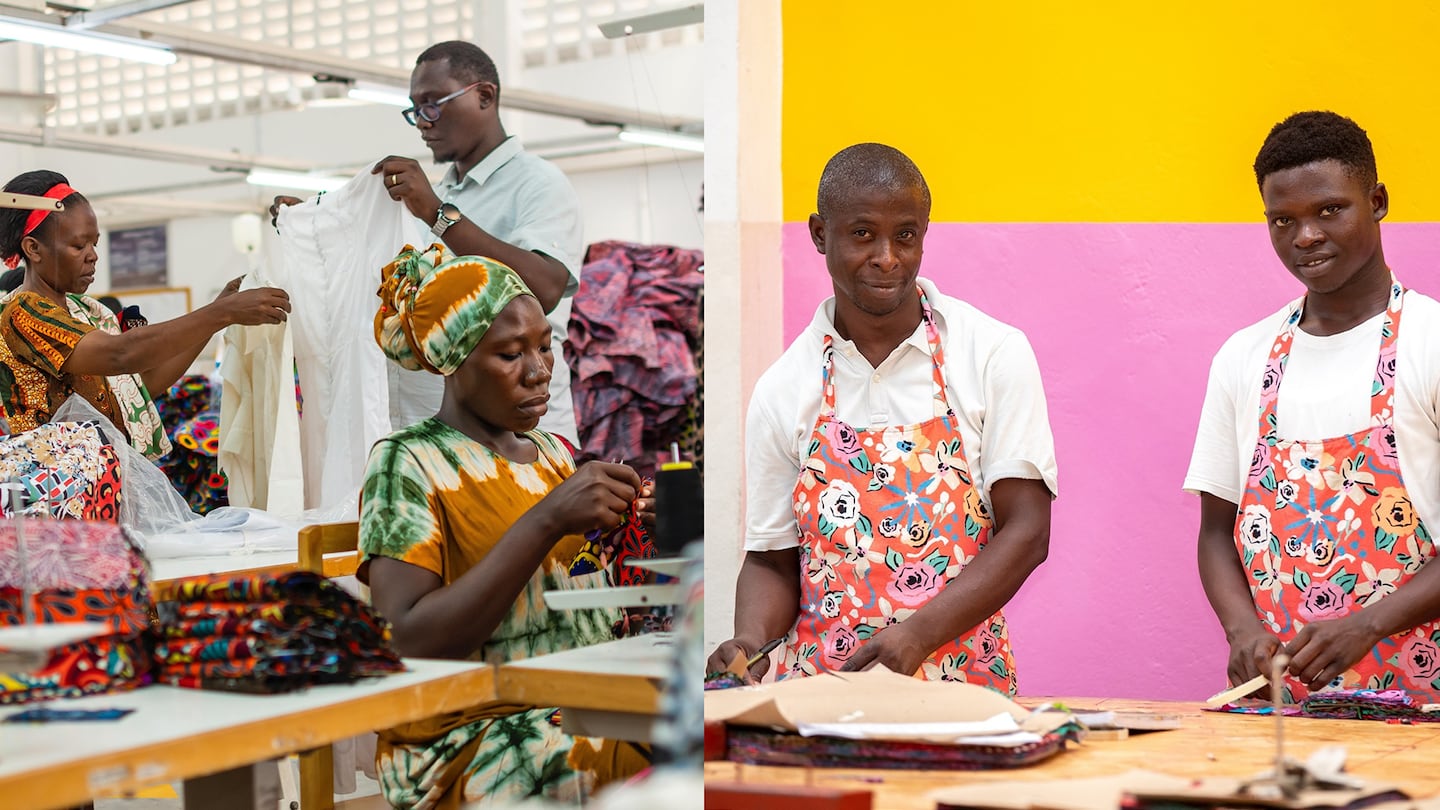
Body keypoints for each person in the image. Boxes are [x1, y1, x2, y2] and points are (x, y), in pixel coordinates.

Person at [708, 144, 1057, 692]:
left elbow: (1029, 532)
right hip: (823, 698)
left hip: (961, 695)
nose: (888, 257)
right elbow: (772, 560)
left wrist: (918, 635)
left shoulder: (990, 354)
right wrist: (750, 643)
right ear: (821, 234)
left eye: (906, 235)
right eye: (863, 234)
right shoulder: (783, 388)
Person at [358, 245, 648, 807]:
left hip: (577, 700)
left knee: (702, 729)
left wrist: (637, 528)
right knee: (651, 758)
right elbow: (407, 638)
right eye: (510, 354)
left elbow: (584, 591)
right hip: (466, 736)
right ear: (454, 361)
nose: (539, 371)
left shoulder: (555, 454)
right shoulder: (407, 462)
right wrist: (545, 520)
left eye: (545, 346)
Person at [1187, 111, 1440, 703]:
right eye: (1283, 220)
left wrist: (1369, 624)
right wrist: (1242, 628)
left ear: (1376, 201)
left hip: (1429, 705)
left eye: (1329, 209)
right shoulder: (1244, 358)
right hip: (1287, 708)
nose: (1306, 236)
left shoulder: (1432, 342)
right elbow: (1215, 534)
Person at [272, 40, 584, 445]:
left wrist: (437, 214)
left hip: (522, 432)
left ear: (484, 96)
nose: (423, 122)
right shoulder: (441, 197)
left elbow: (545, 288)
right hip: (446, 431)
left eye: (433, 104)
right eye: (415, 110)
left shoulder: (538, 184)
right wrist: (315, 226)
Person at [0, 170, 290, 458]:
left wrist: (216, 313)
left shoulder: (87, 311)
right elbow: (120, 354)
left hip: (102, 482)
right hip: (55, 489)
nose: (93, 255)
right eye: (78, 245)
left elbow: (141, 389)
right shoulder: (24, 314)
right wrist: (220, 313)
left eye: (94, 244)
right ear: (34, 249)